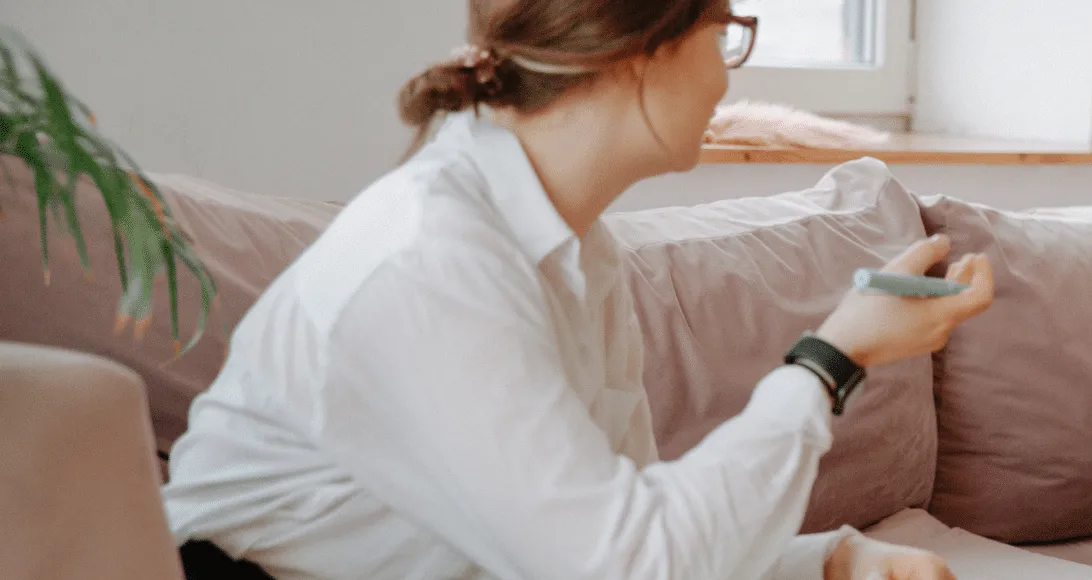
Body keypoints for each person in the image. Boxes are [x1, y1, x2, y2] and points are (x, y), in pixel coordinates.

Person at [160, 0, 993, 578]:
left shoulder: (576, 250)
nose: (726, 79)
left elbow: (621, 534)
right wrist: (831, 356)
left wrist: (831, 562)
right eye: (725, 34)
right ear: (644, 50)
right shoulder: (433, 262)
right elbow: (628, 566)